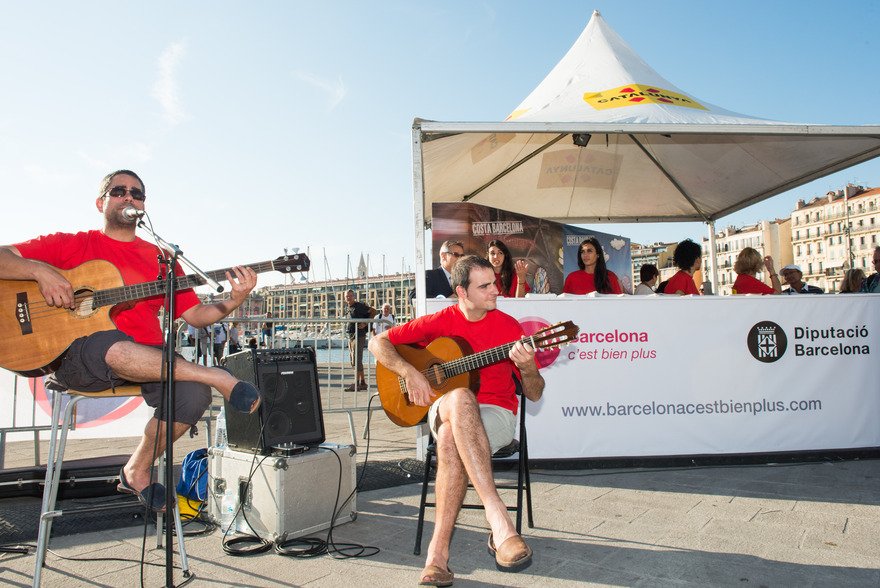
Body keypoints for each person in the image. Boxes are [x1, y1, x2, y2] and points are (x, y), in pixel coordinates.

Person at [0, 169, 260, 512]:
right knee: (109, 341)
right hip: (79, 358)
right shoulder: (72, 244)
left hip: (147, 358)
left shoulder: (163, 258)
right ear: (101, 201)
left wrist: (234, 300)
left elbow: (196, 316)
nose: (129, 197)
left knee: (193, 395)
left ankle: (136, 468)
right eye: (119, 190)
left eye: (137, 194)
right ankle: (217, 376)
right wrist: (39, 271)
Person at [368, 255, 544, 586]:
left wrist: (529, 367)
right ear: (462, 292)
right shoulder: (441, 319)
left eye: (495, 282)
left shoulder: (509, 328)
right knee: (462, 397)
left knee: (450, 439)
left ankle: (438, 556)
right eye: (486, 286)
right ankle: (499, 520)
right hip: (442, 405)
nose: (496, 290)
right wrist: (409, 372)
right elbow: (378, 342)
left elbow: (534, 394)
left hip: (495, 413)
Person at [344, 289, 377, 391]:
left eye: (351, 296)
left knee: (356, 360)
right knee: (353, 360)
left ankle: (356, 383)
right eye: (347, 296)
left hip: (359, 335)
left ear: (354, 296)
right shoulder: (348, 308)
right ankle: (362, 382)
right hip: (351, 336)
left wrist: (366, 323)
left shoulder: (359, 306)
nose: (349, 298)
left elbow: (373, 311)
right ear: (345, 298)